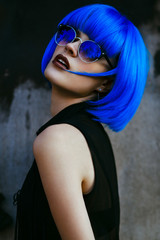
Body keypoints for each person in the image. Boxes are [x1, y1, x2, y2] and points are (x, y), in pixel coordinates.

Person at [13, 3, 149, 240]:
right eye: (69, 34)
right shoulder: (88, 136)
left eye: (92, 50)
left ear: (106, 83)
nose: (71, 47)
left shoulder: (59, 140)